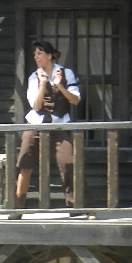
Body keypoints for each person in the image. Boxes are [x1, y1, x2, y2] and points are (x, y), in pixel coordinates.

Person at [14, 40, 81, 209]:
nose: (36, 57)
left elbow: (75, 100)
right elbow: (35, 106)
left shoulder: (67, 74)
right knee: (25, 162)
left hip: (59, 123)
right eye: (35, 54)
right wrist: (43, 85)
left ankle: (76, 205)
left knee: (68, 162)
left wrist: (59, 85)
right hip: (36, 123)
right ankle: (18, 206)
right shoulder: (33, 78)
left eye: (40, 53)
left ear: (49, 55)